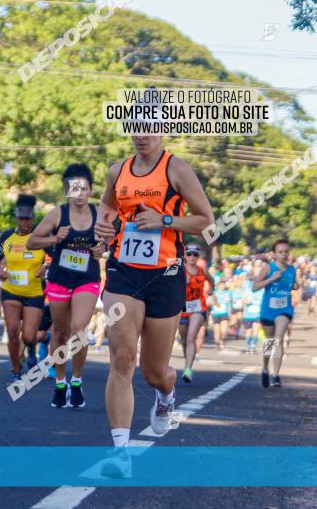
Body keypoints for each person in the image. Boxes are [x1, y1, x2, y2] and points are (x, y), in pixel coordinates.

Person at [94, 130, 213, 477]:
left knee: (153, 371)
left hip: (166, 274)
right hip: (123, 271)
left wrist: (164, 220)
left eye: (150, 127)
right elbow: (107, 206)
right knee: (122, 358)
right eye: (136, 127)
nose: (141, 135)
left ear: (162, 131)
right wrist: (105, 228)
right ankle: (120, 454)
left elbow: (205, 219)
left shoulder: (177, 169)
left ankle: (167, 393)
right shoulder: (118, 170)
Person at [28, 164, 104, 408]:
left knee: (79, 330)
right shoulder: (57, 214)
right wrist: (54, 238)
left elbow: (111, 241)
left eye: (84, 188)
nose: (80, 193)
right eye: (74, 188)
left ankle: (77, 380)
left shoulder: (99, 213)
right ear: (67, 191)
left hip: (87, 278)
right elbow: (31, 241)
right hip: (60, 279)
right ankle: (60, 382)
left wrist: (103, 248)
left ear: (90, 190)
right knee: (60, 332)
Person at [0, 195, 46, 383]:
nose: (25, 222)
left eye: (28, 218)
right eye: (21, 218)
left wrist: (45, 267)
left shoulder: (40, 236)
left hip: (34, 292)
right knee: (13, 331)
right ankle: (16, 369)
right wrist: (0, 270)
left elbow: (54, 257)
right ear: (16, 217)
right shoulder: (6, 236)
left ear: (33, 218)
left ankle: (30, 348)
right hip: (11, 290)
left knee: (30, 336)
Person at [253, 239, 298, 387]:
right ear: (275, 254)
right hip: (268, 310)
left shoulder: (292, 269)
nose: (284, 255)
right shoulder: (268, 267)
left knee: (278, 337)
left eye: (286, 252)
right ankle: (265, 368)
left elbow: (293, 284)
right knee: (270, 341)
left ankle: (276, 375)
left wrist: (296, 285)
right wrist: (272, 278)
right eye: (281, 252)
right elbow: (255, 287)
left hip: (285, 309)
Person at [180, 243, 215, 383]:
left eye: (195, 254)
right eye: (189, 254)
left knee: (190, 338)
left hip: (198, 308)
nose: (192, 257)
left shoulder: (202, 270)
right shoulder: (178, 269)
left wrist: (211, 289)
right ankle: (267, 367)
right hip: (182, 309)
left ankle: (188, 369)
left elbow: (212, 281)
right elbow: (166, 283)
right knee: (184, 340)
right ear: (184, 256)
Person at [211, 280, 233, 351]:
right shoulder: (214, 293)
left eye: (223, 285)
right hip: (216, 313)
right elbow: (210, 303)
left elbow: (229, 304)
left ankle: (222, 341)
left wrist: (230, 314)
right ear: (218, 286)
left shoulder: (228, 293)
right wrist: (214, 302)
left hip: (225, 313)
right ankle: (217, 344)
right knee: (217, 330)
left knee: (224, 330)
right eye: (221, 285)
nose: (222, 286)